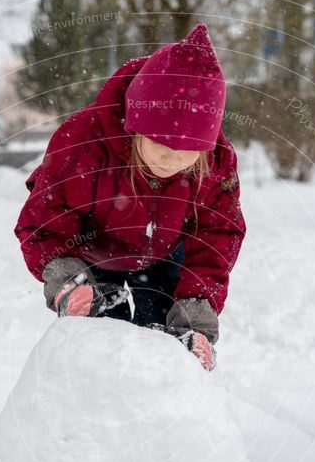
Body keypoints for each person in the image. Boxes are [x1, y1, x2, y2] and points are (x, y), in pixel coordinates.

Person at [14, 23, 246, 371]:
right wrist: (69, 280)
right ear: (135, 125)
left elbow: (216, 237)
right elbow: (46, 221)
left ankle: (161, 407)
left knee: (165, 346)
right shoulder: (84, 143)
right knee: (101, 340)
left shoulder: (216, 163)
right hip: (92, 256)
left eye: (188, 151)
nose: (172, 158)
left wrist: (195, 312)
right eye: (160, 143)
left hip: (167, 257)